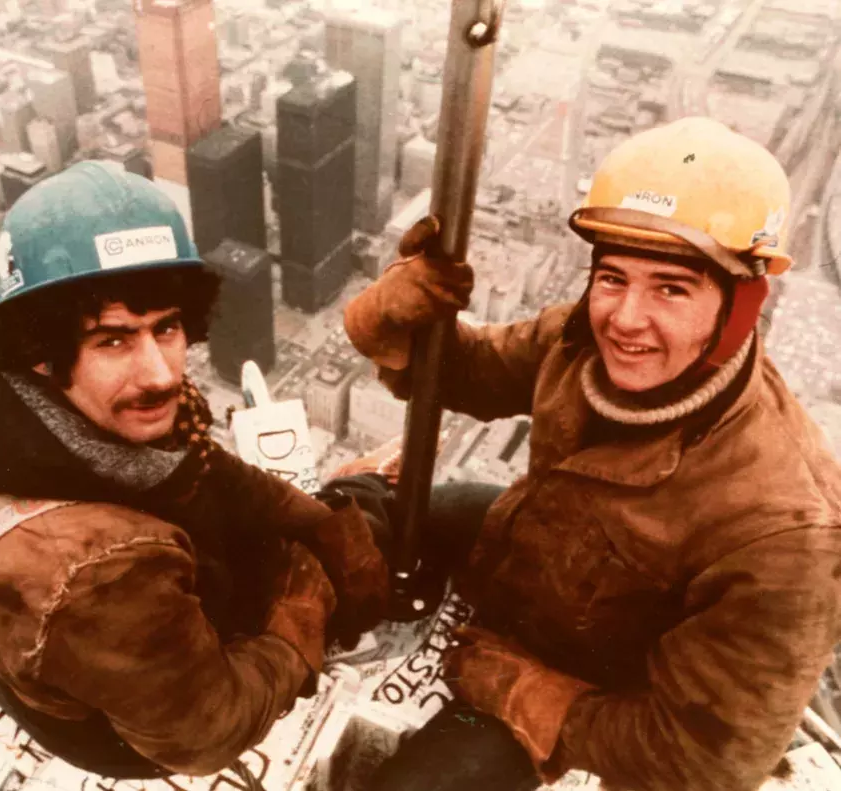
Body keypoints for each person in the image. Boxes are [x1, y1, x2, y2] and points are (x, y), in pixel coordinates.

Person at [339, 117, 841, 791]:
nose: (626, 318)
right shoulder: (580, 345)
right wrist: (392, 315)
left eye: (670, 287)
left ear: (742, 306)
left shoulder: (786, 530)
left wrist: (529, 694)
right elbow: (471, 369)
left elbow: (710, 759)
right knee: (353, 517)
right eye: (612, 277)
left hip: (592, 685)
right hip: (541, 562)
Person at [0, 161, 388, 779]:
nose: (161, 373)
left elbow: (202, 471)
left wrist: (319, 521)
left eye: (167, 328)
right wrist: (302, 610)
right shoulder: (93, 569)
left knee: (361, 506)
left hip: (127, 658)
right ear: (40, 353)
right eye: (113, 341)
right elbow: (208, 735)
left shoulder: (20, 421)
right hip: (158, 728)